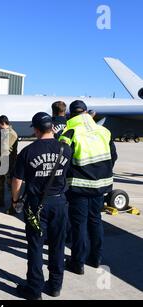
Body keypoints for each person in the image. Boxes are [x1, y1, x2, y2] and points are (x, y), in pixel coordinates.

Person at [11, 112, 72, 300]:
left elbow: (17, 180)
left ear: (36, 129)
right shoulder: (66, 149)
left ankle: (34, 289)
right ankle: (55, 285)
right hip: (60, 203)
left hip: (37, 204)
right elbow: (67, 175)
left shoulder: (28, 151)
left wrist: (15, 201)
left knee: (36, 246)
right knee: (57, 245)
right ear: (52, 127)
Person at [59, 100, 117, 274]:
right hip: (101, 186)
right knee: (96, 221)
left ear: (71, 114)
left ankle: (78, 263)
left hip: (79, 187)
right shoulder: (104, 131)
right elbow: (113, 156)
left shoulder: (69, 132)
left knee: (79, 225)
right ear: (86, 112)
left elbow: (62, 161)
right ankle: (96, 258)